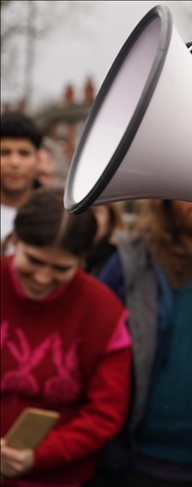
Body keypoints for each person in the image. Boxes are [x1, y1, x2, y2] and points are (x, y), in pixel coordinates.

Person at [93, 200, 192, 487]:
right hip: (128, 461)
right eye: (191, 190)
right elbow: (92, 347)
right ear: (167, 199)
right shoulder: (131, 262)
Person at [0, 187, 131, 486]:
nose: (43, 278)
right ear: (15, 240)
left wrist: (39, 455)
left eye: (60, 268)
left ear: (82, 259)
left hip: (61, 478)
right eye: (33, 261)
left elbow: (105, 413)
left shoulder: (103, 311)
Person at [0, 113, 42, 247]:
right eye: (4, 153)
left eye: (24, 153)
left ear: (38, 159)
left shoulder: (56, 215)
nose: (14, 162)